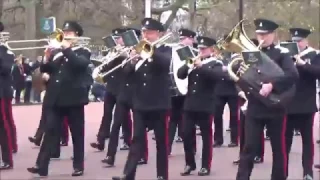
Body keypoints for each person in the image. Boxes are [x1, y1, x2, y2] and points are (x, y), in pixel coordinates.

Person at [236, 18, 298, 180]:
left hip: (275, 107)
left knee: (279, 148)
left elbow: (292, 75)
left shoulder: (281, 54)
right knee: (248, 147)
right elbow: (247, 78)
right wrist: (239, 75)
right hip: (255, 106)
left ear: (273, 35)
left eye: (265, 34)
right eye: (259, 34)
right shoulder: (253, 54)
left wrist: (272, 85)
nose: (261, 37)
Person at [27, 20, 90, 177]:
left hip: (74, 98)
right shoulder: (57, 52)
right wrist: (46, 57)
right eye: (65, 32)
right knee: (50, 131)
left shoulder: (83, 51)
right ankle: (41, 165)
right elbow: (47, 69)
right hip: (56, 98)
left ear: (76, 35)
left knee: (77, 133)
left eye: (69, 33)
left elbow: (79, 65)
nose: (66, 35)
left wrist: (67, 49)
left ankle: (78, 166)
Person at [112, 18, 171, 180]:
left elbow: (165, 65)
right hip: (140, 102)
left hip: (158, 102)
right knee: (137, 139)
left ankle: (161, 175)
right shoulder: (137, 50)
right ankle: (128, 175)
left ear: (159, 34)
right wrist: (132, 59)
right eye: (144, 32)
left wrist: (151, 52)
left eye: (149, 32)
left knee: (161, 142)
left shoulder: (165, 49)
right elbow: (126, 73)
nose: (146, 35)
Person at [178, 36, 223, 176]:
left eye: (204, 49)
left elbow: (216, 76)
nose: (201, 51)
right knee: (186, 134)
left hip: (206, 104)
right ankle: (190, 163)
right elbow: (180, 75)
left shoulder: (216, 63)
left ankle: (205, 165)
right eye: (200, 49)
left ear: (212, 50)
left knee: (206, 136)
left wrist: (201, 66)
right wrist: (188, 64)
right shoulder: (194, 62)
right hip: (190, 103)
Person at [285, 27, 320, 180]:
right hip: (288, 103)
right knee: (285, 141)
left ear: (306, 41)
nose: (297, 44)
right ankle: (282, 172)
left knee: (307, 140)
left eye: (299, 41)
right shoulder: (285, 55)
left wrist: (302, 64)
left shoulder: (314, 55)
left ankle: (308, 172)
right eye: (294, 42)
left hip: (306, 103)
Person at [90, 27, 127, 151]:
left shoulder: (129, 50)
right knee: (106, 114)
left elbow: (125, 58)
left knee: (123, 116)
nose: (117, 41)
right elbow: (107, 66)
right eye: (115, 38)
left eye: (119, 38)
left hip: (123, 87)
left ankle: (127, 140)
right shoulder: (113, 51)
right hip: (111, 86)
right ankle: (101, 140)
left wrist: (117, 53)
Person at [233, 39, 265, 165]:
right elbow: (238, 78)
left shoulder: (262, 61)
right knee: (243, 128)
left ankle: (258, 154)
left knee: (258, 128)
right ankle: (243, 154)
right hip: (244, 96)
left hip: (257, 96)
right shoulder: (244, 60)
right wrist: (240, 91)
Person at [168, 28, 197, 154]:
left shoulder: (193, 52)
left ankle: (191, 148)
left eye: (184, 39)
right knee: (173, 119)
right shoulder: (177, 51)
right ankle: (167, 147)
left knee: (188, 121)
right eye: (181, 39)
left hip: (187, 90)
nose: (183, 41)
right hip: (177, 90)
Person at [213, 34, 239, 148]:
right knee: (217, 115)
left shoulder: (238, 54)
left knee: (234, 115)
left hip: (233, 88)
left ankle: (234, 139)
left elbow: (239, 70)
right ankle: (218, 139)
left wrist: (226, 71)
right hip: (219, 88)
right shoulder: (219, 54)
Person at [0, 21, 15, 170]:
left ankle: (7, 159)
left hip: (2, 91)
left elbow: (6, 69)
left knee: (3, 126)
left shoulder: (6, 51)